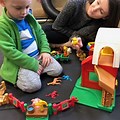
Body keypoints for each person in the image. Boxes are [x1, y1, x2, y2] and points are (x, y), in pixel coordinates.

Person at [0, 0, 63, 93]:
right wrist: (33, 65)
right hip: (21, 63)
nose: (24, 12)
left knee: (57, 70)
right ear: (3, 3)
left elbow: (41, 34)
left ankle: (36, 72)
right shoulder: (3, 26)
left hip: (38, 56)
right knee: (33, 86)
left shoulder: (29, 17)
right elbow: (10, 52)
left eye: (27, 7)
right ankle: (23, 77)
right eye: (18, 8)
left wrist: (45, 51)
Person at [42, 0, 120, 49]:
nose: (94, 9)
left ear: (105, 17)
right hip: (61, 31)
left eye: (101, 11)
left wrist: (77, 39)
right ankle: (60, 45)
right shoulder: (74, 3)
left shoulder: (98, 25)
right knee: (45, 30)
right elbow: (57, 26)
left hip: (80, 40)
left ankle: (60, 45)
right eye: (97, 2)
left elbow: (82, 36)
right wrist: (75, 36)